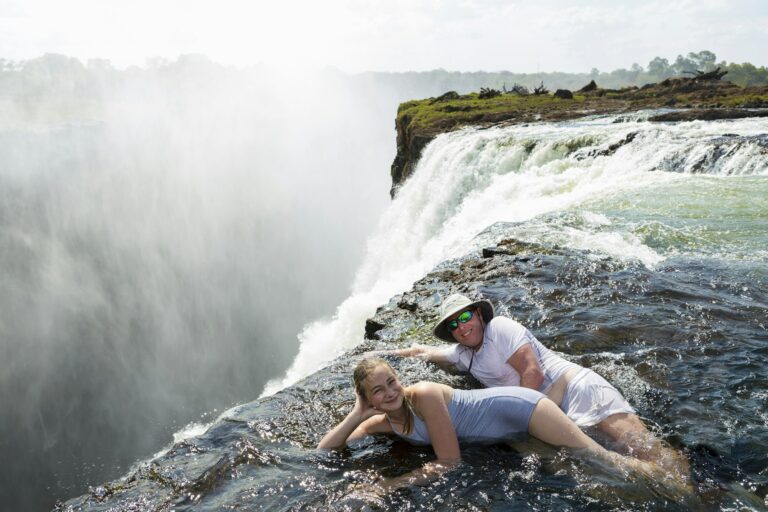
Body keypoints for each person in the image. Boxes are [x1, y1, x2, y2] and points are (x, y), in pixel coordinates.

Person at [378, 294, 688, 476]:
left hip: (578, 391)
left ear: (479, 315)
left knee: (649, 452)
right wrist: (385, 353)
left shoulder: (500, 328)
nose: (462, 327)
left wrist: (530, 421)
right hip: (548, 414)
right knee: (620, 466)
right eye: (454, 325)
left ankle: (706, 494)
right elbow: (425, 352)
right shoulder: (462, 354)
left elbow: (533, 372)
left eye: (466, 317)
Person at [318, 358, 687, 496]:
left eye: (392, 382)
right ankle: (664, 489)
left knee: (601, 459)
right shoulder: (384, 422)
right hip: (512, 434)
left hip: (524, 411)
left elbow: (450, 462)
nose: (389, 393)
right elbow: (325, 450)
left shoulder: (425, 395)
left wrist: (390, 485)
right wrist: (357, 414)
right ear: (367, 398)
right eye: (377, 391)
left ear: (401, 379)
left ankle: (677, 482)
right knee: (588, 475)